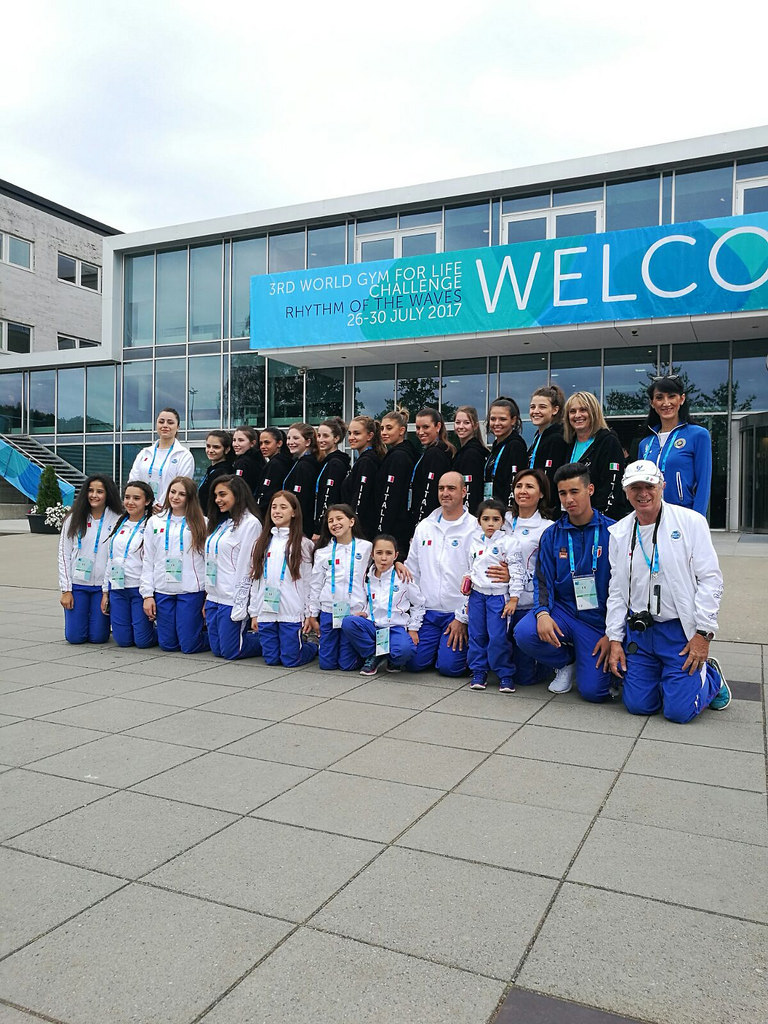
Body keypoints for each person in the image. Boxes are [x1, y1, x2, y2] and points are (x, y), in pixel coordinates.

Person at [606, 459, 729, 722]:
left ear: (662, 485)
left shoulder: (690, 522)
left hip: (678, 631)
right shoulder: (619, 533)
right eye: (635, 487)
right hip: (641, 632)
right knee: (638, 706)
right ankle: (672, 681)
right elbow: (616, 590)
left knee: (679, 713)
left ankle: (712, 679)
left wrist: (704, 634)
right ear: (626, 493)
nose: (643, 493)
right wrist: (615, 638)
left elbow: (711, 579)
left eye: (649, 485)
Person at [513, 463, 614, 700]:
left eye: (574, 492)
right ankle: (566, 661)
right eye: (562, 493)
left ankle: (595, 667)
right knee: (524, 632)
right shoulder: (552, 534)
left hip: (597, 620)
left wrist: (614, 633)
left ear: (590, 489)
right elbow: (543, 581)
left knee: (594, 693)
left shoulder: (613, 531)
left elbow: (625, 587)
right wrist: (542, 614)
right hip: (564, 612)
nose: (568, 499)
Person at [405, 471, 483, 677]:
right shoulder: (424, 526)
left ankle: (448, 654)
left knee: (451, 669)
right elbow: (412, 571)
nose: (445, 493)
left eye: (451, 488)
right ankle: (435, 651)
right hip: (427, 612)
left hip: (455, 613)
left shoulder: (475, 528)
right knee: (412, 662)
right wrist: (413, 615)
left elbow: (478, 577)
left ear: (464, 492)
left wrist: (463, 618)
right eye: (441, 488)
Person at [245, 490, 317, 667]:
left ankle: (313, 646)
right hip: (266, 609)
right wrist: (254, 613)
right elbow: (256, 579)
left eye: (283, 507)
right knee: (271, 659)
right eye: (274, 507)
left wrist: (308, 613)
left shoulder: (303, 544)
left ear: (294, 512)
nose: (277, 511)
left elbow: (308, 582)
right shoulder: (261, 542)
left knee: (290, 660)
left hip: (290, 611)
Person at [140, 476, 209, 654]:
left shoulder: (202, 522)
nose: (175, 497)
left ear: (190, 497)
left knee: (189, 646)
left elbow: (208, 562)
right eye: (172, 492)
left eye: (182, 494)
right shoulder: (154, 521)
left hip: (191, 591)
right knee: (168, 645)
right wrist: (148, 595)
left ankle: (217, 636)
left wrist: (208, 596)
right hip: (164, 590)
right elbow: (148, 560)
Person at [341, 533, 425, 677]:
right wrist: (365, 612)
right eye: (379, 553)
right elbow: (368, 600)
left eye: (389, 553)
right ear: (372, 555)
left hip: (394, 627)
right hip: (373, 626)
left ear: (396, 555)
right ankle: (374, 655)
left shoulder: (402, 577)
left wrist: (413, 628)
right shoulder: (367, 576)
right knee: (349, 622)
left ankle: (392, 659)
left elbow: (419, 604)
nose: (384, 558)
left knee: (405, 651)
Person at [463, 499, 525, 692]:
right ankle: (479, 671)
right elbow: (471, 567)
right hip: (477, 596)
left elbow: (517, 571)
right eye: (486, 519)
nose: (490, 523)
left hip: (498, 597)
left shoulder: (509, 543)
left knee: (498, 636)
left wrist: (514, 597)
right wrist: (467, 581)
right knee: (477, 634)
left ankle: (505, 674)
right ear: (479, 521)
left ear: (502, 522)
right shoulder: (473, 542)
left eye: (495, 519)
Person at [504, 468, 556, 685]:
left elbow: (547, 574)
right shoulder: (501, 519)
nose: (522, 491)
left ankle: (550, 662)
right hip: (497, 600)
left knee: (524, 677)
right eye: (518, 486)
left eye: (529, 486)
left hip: (526, 604)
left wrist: (512, 573)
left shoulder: (547, 528)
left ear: (542, 493)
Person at [58, 474, 123, 644]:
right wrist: (66, 590)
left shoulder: (117, 518)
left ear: (108, 494)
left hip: (102, 588)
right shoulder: (73, 518)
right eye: (90, 491)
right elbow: (63, 555)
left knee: (98, 638)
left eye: (100, 491)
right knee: (75, 638)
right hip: (78, 585)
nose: (94, 495)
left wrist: (107, 591)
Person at [307, 504, 373, 671]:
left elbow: (379, 571)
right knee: (326, 664)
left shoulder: (366, 547)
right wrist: (313, 614)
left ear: (351, 521)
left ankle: (366, 654)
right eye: (330, 521)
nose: (334, 523)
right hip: (330, 610)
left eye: (339, 519)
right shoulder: (323, 552)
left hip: (353, 612)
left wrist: (399, 563)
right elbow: (316, 584)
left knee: (347, 665)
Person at [204, 475, 262, 660]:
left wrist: (241, 604)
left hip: (231, 597)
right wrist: (207, 597)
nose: (217, 500)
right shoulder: (223, 522)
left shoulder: (251, 524)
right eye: (215, 495)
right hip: (214, 596)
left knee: (231, 652)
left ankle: (271, 640)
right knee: (218, 650)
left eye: (222, 494)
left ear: (237, 494)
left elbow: (247, 566)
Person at [639, 374, 712, 515]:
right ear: (652, 403)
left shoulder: (698, 435)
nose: (666, 403)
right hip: (651, 516)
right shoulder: (645, 444)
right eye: (659, 398)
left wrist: (698, 520)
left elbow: (704, 483)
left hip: (684, 514)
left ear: (682, 399)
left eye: (671, 396)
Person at [101, 480, 156, 648]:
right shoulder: (119, 523)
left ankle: (166, 630)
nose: (130, 502)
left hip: (138, 589)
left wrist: (149, 595)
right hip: (117, 588)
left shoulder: (152, 524)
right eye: (127, 497)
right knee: (123, 641)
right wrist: (105, 592)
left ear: (147, 501)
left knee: (142, 642)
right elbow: (110, 559)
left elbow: (152, 562)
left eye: (136, 498)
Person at [562, 391, 629, 519]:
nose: (577, 415)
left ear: (593, 412)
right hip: (571, 518)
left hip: (599, 520)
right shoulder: (567, 443)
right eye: (572, 411)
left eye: (583, 410)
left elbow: (611, 485)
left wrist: (598, 518)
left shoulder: (608, 441)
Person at [129, 408, 195, 509]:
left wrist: (160, 505)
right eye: (161, 422)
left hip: (168, 510)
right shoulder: (144, 453)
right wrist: (150, 503)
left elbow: (182, 486)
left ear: (178, 427)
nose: (165, 425)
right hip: (143, 509)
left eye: (170, 422)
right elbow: (133, 481)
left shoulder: (184, 455)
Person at [375, 407, 417, 558]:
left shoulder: (399, 457)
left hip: (394, 529)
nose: (384, 432)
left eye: (389, 428)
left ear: (401, 430)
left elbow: (391, 496)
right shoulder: (397, 454)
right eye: (382, 428)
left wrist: (382, 529)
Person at [341, 415, 385, 540]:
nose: (351, 438)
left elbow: (361, 496)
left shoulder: (367, 461)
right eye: (349, 433)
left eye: (357, 433)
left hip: (361, 531)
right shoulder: (364, 459)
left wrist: (353, 527)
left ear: (369, 436)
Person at [410, 406, 454, 526]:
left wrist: (420, 523)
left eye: (426, 427)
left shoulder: (435, 454)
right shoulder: (433, 451)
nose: (420, 432)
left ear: (438, 426)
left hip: (430, 520)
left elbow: (429, 492)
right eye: (418, 428)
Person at [484, 397, 528, 506]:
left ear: (513, 420)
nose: (497, 423)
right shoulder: (496, 446)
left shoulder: (515, 446)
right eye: (493, 419)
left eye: (502, 419)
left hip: (507, 510)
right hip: (492, 508)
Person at [527, 384, 569, 497]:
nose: (535, 411)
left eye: (542, 407)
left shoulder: (557, 438)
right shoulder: (538, 436)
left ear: (555, 410)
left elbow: (552, 476)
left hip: (547, 503)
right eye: (532, 407)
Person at [313, 417, 350, 538]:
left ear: (336, 439)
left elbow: (329, 497)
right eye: (319, 436)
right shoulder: (327, 462)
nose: (320, 440)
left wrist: (319, 528)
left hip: (328, 528)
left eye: (325, 436)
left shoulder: (335, 463)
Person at [283, 422, 320, 538]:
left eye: (295, 438)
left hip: (300, 527)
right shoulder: (299, 462)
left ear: (308, 442)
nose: (290, 442)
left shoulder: (305, 466)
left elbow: (301, 499)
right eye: (288, 438)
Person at [451, 405, 488, 515]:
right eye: (458, 422)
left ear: (475, 426)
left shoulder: (472, 454)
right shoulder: (463, 452)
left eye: (466, 423)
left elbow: (472, 489)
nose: (461, 426)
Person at [255, 427, 293, 519]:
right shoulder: (280, 461)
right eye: (260, 443)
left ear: (279, 443)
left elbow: (267, 493)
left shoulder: (275, 464)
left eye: (267, 443)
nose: (263, 447)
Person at [197, 430, 234, 513]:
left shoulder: (222, 472)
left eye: (216, 447)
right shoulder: (212, 470)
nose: (210, 450)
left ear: (227, 449)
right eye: (208, 446)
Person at [231, 426, 264, 494]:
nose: (235, 444)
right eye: (234, 440)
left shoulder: (242, 462)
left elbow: (238, 489)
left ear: (252, 443)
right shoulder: (259, 459)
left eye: (241, 440)